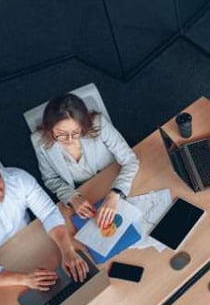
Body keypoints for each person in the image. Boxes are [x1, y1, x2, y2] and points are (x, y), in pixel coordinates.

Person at [0, 151, 89, 289]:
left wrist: (67, 250)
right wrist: (24, 279)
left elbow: (49, 213)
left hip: (33, 239)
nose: (0, 192)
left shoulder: (17, 178)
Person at [32, 93, 139, 229]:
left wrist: (115, 193)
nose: (70, 140)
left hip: (114, 178)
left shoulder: (98, 124)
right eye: (61, 133)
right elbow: (50, 178)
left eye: (76, 132)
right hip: (83, 192)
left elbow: (130, 160)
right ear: (49, 128)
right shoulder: (39, 141)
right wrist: (72, 198)